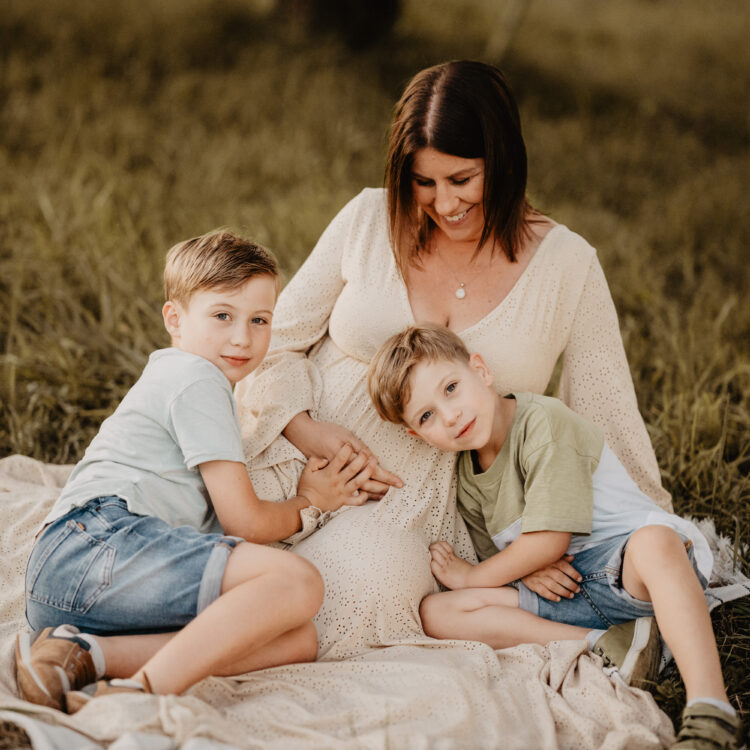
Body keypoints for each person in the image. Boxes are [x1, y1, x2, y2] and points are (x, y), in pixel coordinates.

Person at [235, 59, 672, 662]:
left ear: (504, 160)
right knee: (202, 545)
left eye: (462, 179)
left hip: (415, 505)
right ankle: (118, 651)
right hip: (292, 437)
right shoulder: (368, 218)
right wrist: (306, 432)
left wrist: (615, 540)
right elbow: (272, 339)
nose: (443, 203)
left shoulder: (567, 266)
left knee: (337, 600)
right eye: (423, 182)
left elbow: (605, 414)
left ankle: (161, 664)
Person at [15, 230, 376, 713]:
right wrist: (311, 502)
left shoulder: (180, 376)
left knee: (295, 639)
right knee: (299, 583)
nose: (242, 337)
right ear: (175, 319)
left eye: (259, 320)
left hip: (64, 591)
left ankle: (79, 653)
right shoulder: (196, 377)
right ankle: (138, 692)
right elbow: (244, 522)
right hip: (92, 547)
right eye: (223, 316)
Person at [367, 323, 741, 750]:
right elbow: (510, 562)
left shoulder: (542, 423)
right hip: (567, 594)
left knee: (656, 541)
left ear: (480, 371)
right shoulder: (469, 480)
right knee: (437, 612)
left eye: (451, 388)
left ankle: (711, 709)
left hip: (629, 573)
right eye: (427, 416)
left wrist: (472, 576)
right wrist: (524, 573)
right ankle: (603, 645)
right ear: (417, 436)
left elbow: (549, 542)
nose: (450, 415)